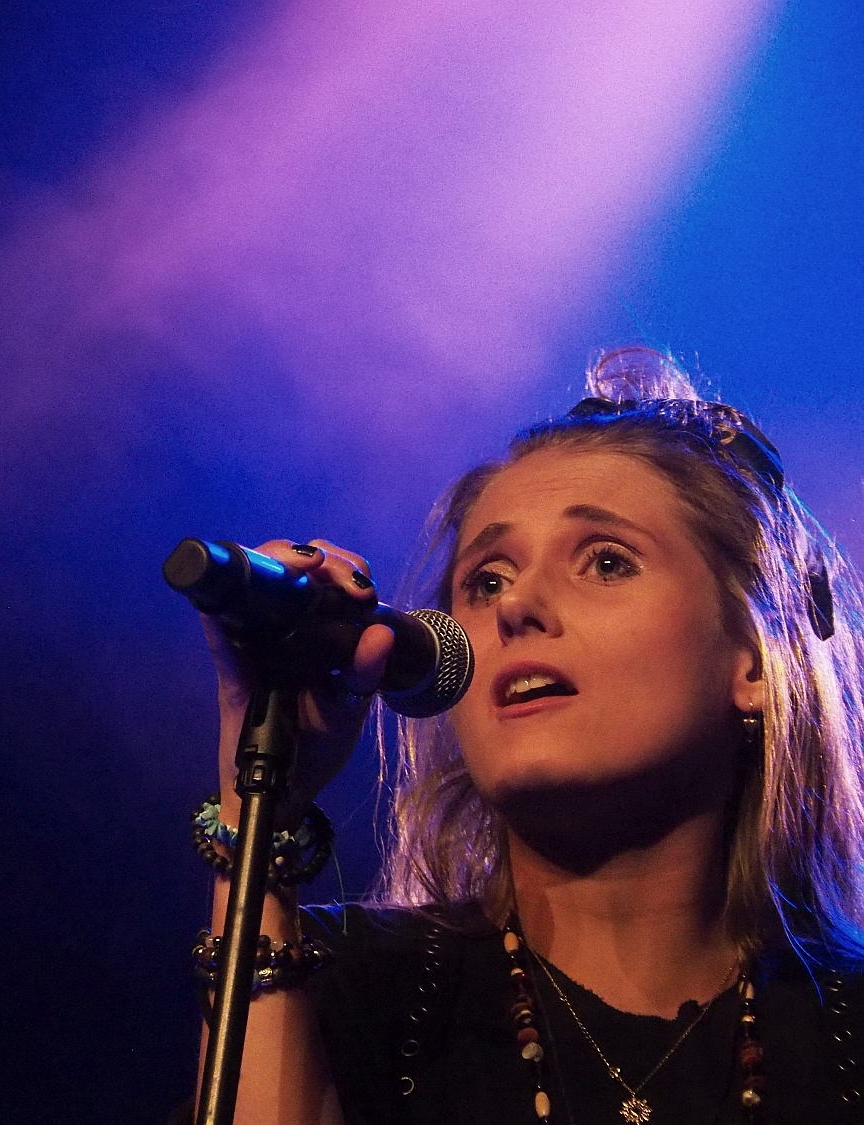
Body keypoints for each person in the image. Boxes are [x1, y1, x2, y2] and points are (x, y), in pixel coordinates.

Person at [184, 347, 864, 1124]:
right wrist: (257, 801)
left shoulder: (844, 1032)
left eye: (607, 562)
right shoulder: (347, 991)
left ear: (756, 658)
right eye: (488, 579)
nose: (516, 607)